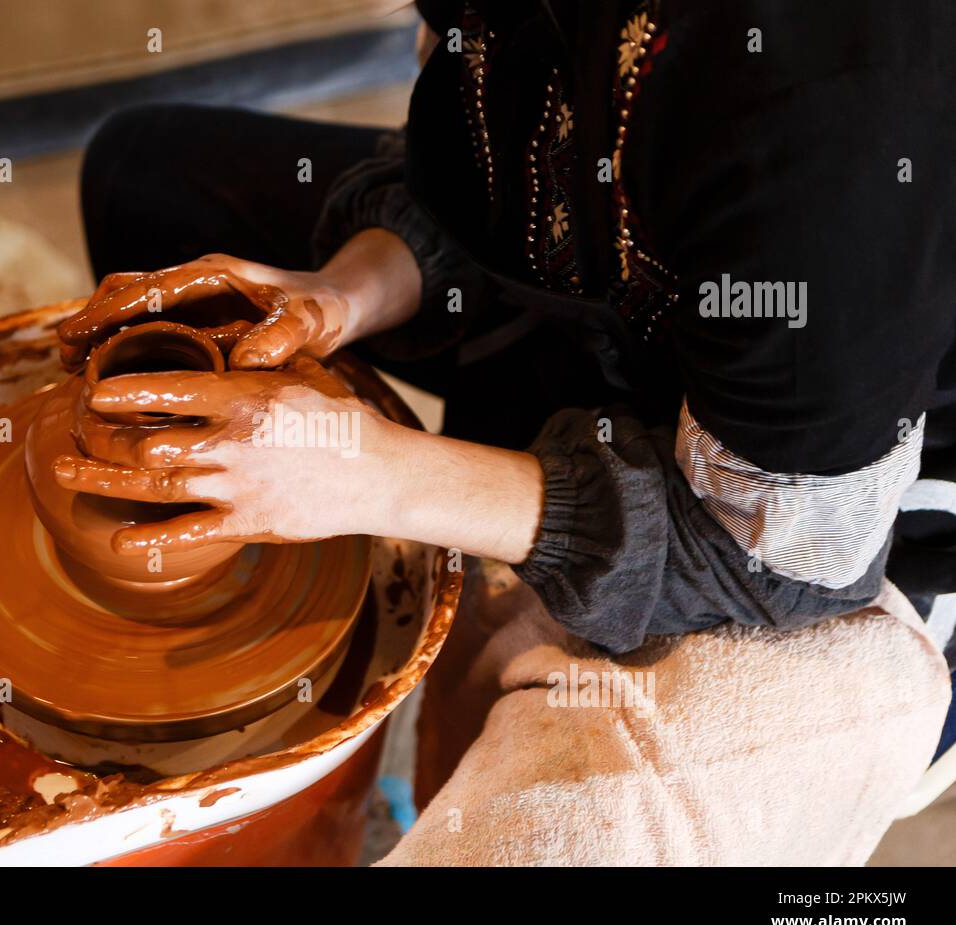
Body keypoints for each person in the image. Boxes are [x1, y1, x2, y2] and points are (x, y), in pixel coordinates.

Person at [53, 0, 956, 863]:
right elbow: (483, 178)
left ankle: (418, 788)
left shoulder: (822, 101)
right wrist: (340, 294)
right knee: (141, 176)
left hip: (844, 503)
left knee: (560, 800)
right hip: (622, 317)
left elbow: (781, 559)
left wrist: (372, 473)